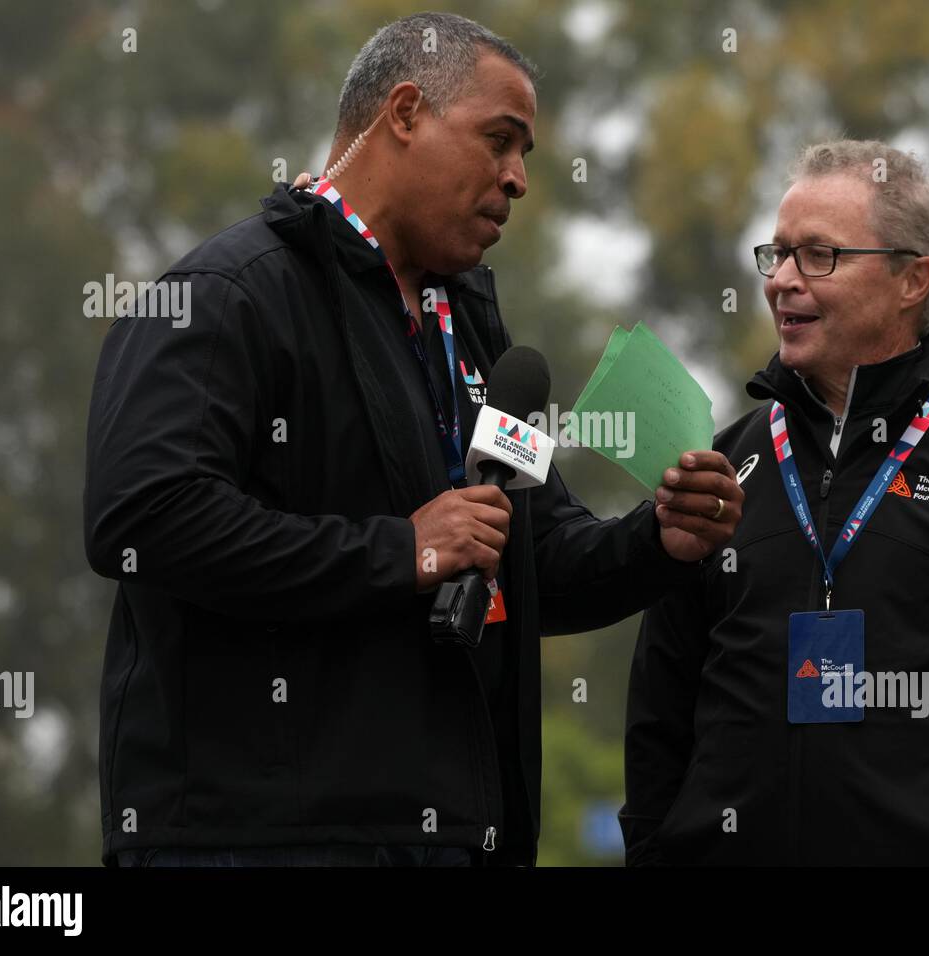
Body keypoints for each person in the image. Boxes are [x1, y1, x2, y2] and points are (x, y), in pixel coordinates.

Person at [84, 12, 742, 868]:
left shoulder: (472, 337)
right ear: (403, 113)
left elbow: (532, 555)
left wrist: (659, 541)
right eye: (498, 141)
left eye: (525, 156)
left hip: (457, 841)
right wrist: (398, 552)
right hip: (257, 843)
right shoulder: (226, 297)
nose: (517, 181)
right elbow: (140, 520)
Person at [621, 140, 929, 866]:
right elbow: (659, 713)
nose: (783, 280)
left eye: (818, 255)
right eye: (776, 254)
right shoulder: (720, 467)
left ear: (913, 279)